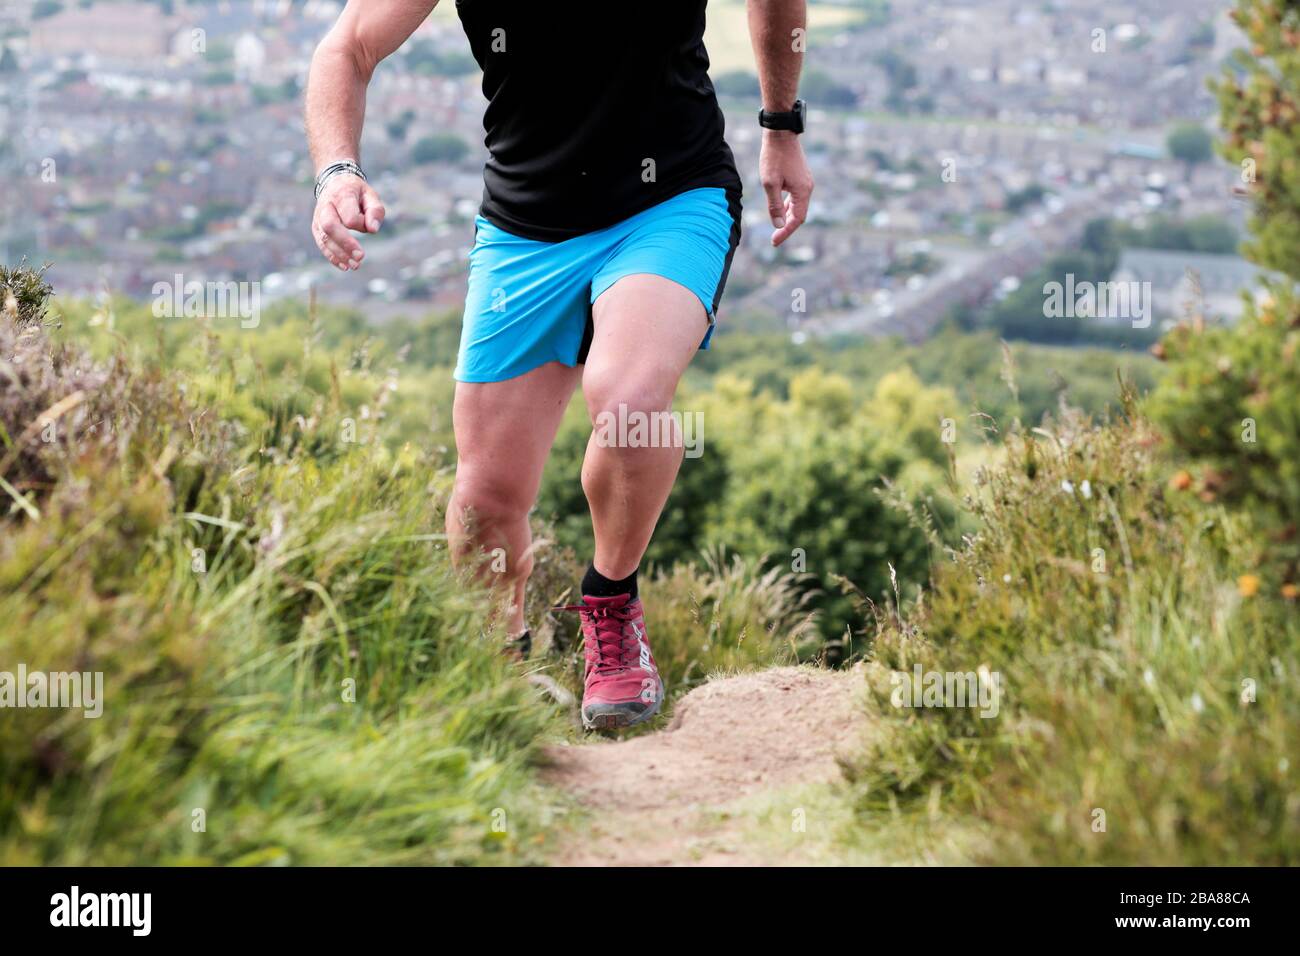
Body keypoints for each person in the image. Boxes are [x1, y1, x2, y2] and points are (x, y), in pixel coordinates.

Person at [305, 0, 812, 730]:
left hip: (670, 198)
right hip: (524, 225)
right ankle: (496, 668)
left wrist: (780, 127)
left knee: (629, 402)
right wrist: (335, 172)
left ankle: (610, 605)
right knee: (485, 500)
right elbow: (347, 47)